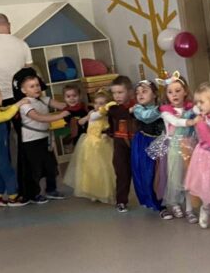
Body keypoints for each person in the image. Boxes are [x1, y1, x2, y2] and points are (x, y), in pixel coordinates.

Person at [16, 71, 70, 204]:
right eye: (32, 86)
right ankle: (34, 194)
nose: (36, 88)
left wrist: (73, 104)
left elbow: (61, 105)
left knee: (51, 166)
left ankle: (51, 190)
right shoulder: (25, 105)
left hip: (45, 138)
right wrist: (61, 115)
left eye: (37, 85)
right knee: (35, 169)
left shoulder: (43, 99)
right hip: (31, 141)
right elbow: (39, 117)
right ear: (23, 90)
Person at [156, 72, 197, 221]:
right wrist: (190, 121)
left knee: (189, 178)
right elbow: (175, 122)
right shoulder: (165, 112)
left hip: (190, 146)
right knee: (175, 177)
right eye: (170, 92)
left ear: (185, 92)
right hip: (174, 147)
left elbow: (199, 116)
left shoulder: (191, 109)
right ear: (166, 95)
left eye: (178, 91)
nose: (174, 94)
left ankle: (190, 209)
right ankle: (174, 204)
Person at [183, 82, 210, 229]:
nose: (198, 105)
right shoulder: (201, 120)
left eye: (202, 102)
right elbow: (207, 136)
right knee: (207, 186)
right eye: (197, 102)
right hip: (206, 157)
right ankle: (205, 208)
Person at [65, 91, 115, 204]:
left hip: (104, 144)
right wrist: (107, 106)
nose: (98, 106)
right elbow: (97, 115)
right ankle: (93, 192)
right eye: (96, 103)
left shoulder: (106, 116)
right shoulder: (94, 114)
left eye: (101, 103)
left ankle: (105, 191)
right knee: (93, 168)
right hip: (92, 145)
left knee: (105, 168)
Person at [131, 80, 164, 214]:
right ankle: (155, 202)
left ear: (155, 94)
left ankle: (166, 200)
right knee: (148, 173)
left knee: (161, 172)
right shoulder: (138, 109)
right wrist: (162, 109)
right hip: (144, 142)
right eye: (137, 92)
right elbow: (147, 117)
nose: (140, 95)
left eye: (144, 91)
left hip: (161, 142)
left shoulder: (161, 107)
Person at [106, 76, 137, 213]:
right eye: (114, 93)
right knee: (122, 172)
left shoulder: (137, 105)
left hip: (136, 143)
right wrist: (131, 110)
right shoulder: (113, 108)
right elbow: (120, 114)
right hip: (120, 145)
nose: (117, 96)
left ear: (129, 92)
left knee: (141, 172)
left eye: (120, 92)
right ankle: (121, 200)